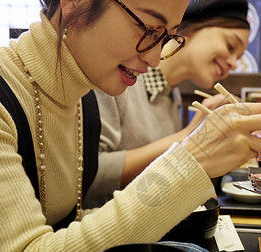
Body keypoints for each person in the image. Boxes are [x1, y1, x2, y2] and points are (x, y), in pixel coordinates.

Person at [0, 0, 261, 252]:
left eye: (167, 37)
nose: (156, 58)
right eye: (148, 28)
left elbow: (69, 221)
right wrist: (189, 157)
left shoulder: (84, 100)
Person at [85, 0, 252, 207]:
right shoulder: (120, 75)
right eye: (230, 45)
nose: (233, 63)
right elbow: (88, 176)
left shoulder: (171, 94)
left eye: (239, 57)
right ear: (191, 28)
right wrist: (189, 137)